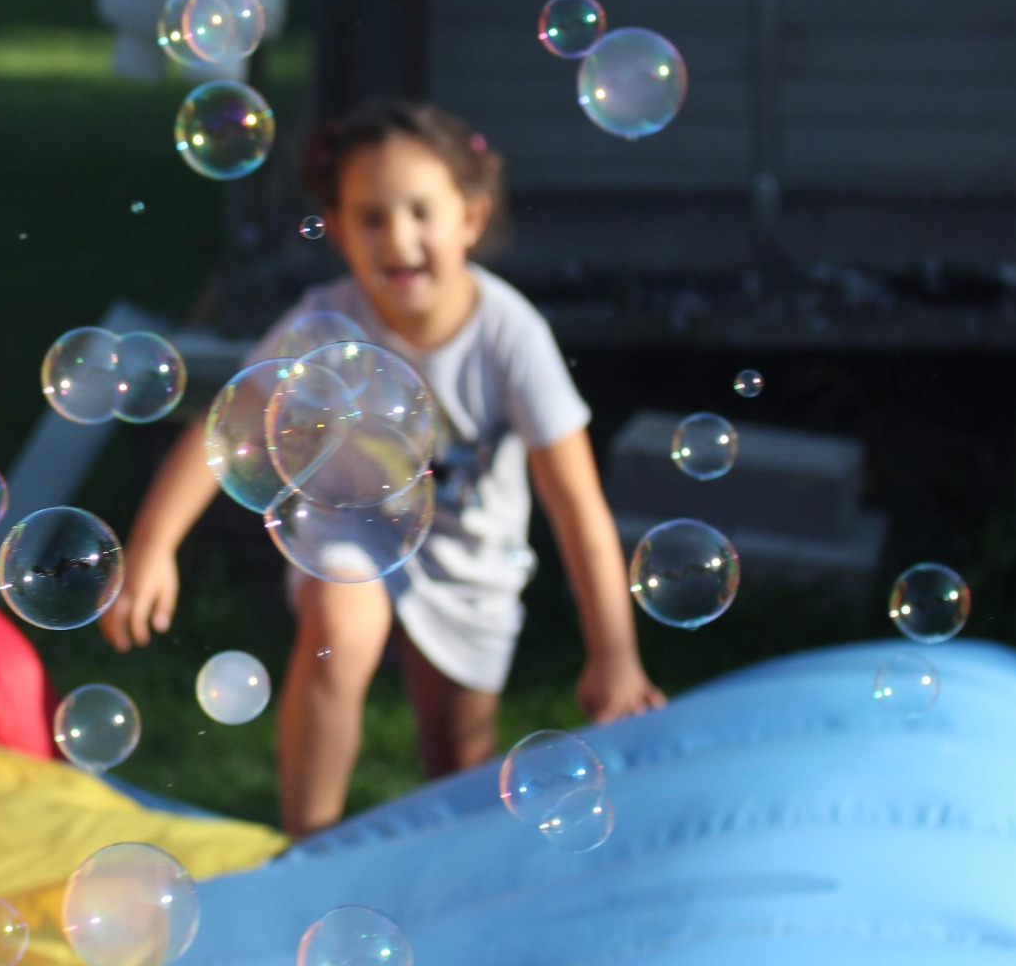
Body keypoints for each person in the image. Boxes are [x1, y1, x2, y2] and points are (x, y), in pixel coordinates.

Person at [102, 100, 665, 837]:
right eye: (371, 218)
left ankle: (454, 858)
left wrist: (614, 655)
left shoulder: (510, 334)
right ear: (336, 229)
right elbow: (227, 429)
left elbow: (576, 505)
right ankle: (309, 841)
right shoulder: (324, 320)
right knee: (340, 625)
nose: (398, 239)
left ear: (471, 217)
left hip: (469, 556)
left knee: (458, 753)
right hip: (352, 528)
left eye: (421, 212)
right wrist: (153, 544)